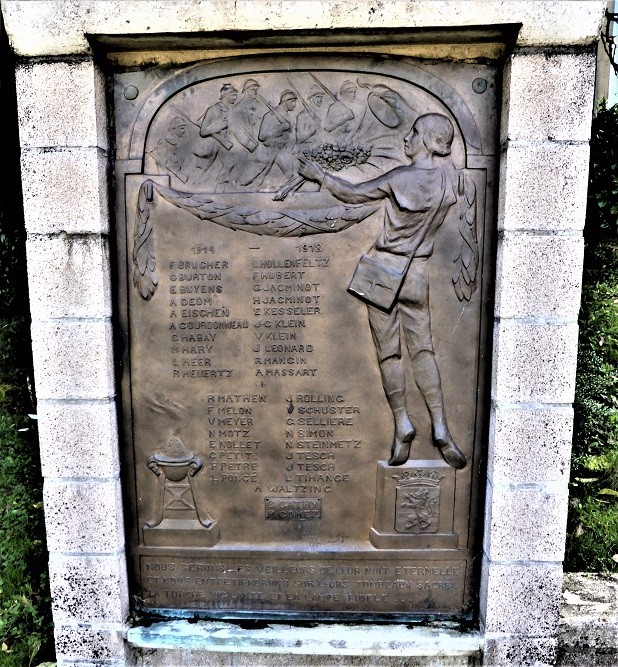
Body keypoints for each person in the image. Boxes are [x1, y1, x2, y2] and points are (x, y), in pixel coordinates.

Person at [298, 113, 466, 469]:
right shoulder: (452, 178)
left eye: (414, 132)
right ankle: (440, 427)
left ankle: (403, 422)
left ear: (429, 141)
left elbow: (354, 193)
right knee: (424, 350)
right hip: (417, 272)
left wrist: (321, 176)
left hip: (384, 270)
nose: (407, 137)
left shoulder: (400, 178)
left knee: (389, 354)